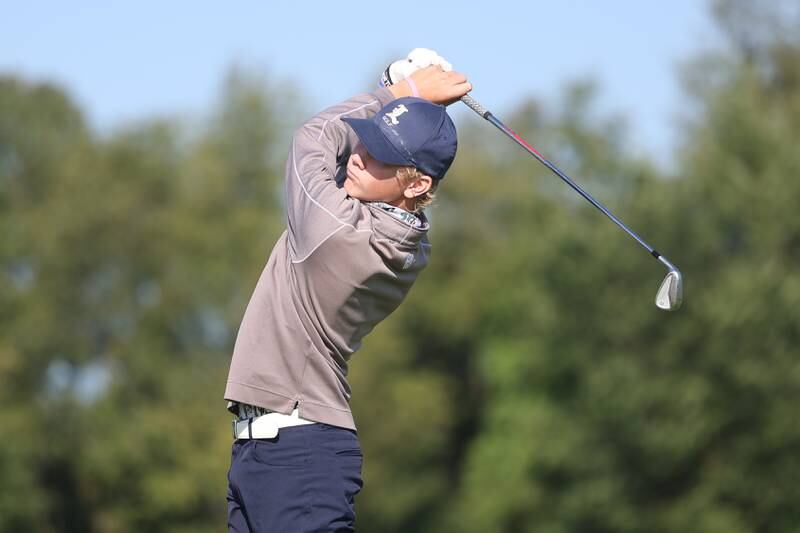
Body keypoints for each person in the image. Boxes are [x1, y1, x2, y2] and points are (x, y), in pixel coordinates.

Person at [224, 53, 471, 532]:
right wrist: (400, 102)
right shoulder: (400, 235)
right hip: (275, 453)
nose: (360, 154)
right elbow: (347, 160)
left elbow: (314, 140)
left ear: (417, 181)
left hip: (296, 458)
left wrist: (401, 94)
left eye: (381, 154)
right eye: (369, 142)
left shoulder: (337, 230)